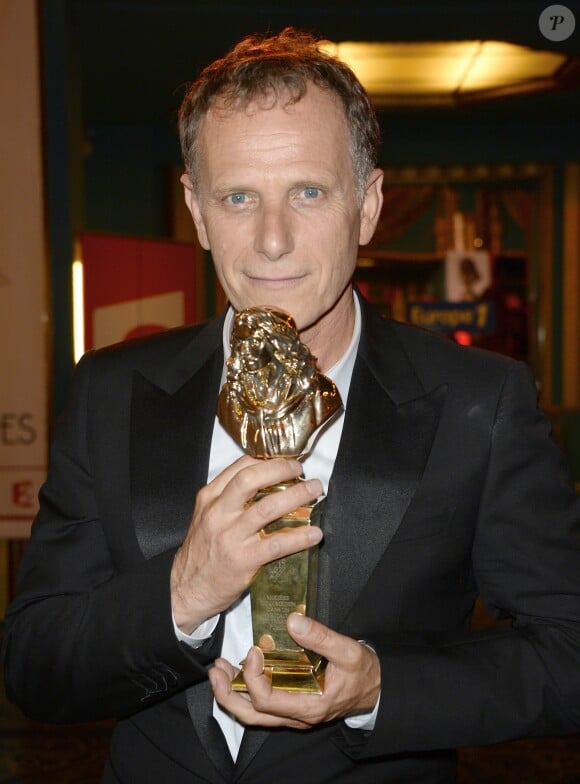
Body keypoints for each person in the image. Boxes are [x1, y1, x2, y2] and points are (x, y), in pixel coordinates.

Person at [2, 27, 580, 784]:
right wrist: (181, 595)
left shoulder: (481, 401)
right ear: (197, 211)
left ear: (369, 207)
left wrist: (380, 688)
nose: (272, 240)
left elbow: (568, 651)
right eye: (238, 197)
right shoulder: (112, 390)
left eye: (309, 192)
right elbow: (35, 666)